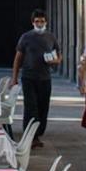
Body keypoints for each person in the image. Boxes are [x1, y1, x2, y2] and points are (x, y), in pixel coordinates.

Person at [10, 9, 61, 148]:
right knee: (31, 107)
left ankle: (38, 134)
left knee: (43, 107)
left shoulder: (51, 37)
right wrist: (14, 78)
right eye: (37, 21)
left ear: (46, 22)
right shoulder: (25, 37)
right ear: (33, 22)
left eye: (42, 21)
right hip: (29, 77)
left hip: (45, 78)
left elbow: (58, 56)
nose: (39, 24)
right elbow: (18, 58)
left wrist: (54, 62)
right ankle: (30, 137)